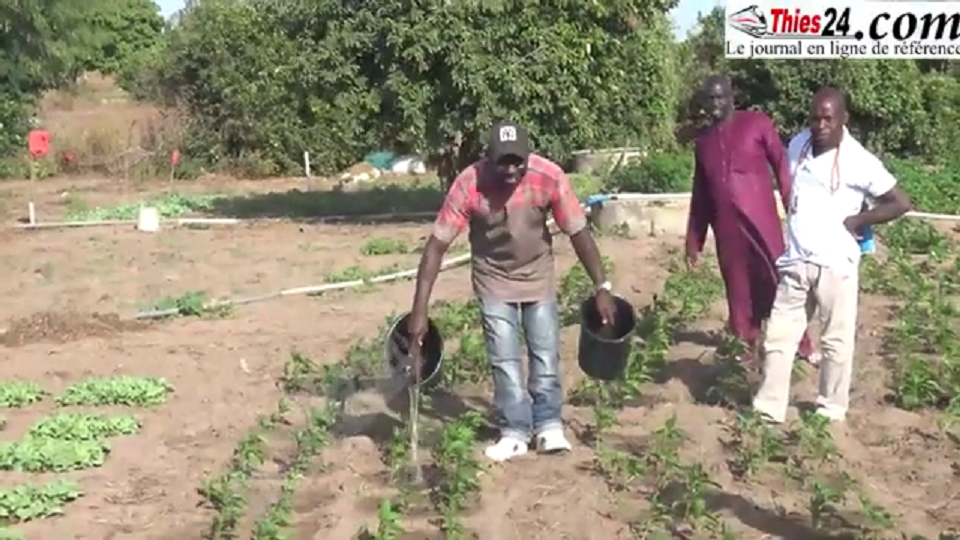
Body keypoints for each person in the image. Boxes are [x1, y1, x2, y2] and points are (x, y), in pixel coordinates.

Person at [407, 120, 617, 462]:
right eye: (503, 161)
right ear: (488, 158)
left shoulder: (547, 176)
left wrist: (601, 287)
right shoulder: (469, 184)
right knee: (504, 359)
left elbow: (579, 232)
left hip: (538, 277)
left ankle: (549, 425)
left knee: (544, 353)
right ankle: (515, 431)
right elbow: (435, 248)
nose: (510, 169)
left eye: (517, 161)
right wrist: (420, 311)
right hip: (494, 280)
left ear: (527, 157)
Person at [752, 88, 912, 423]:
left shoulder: (859, 160)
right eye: (815, 117)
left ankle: (830, 410)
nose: (821, 124)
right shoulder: (799, 145)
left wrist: (858, 220)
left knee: (836, 343)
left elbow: (900, 202)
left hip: (835, 264)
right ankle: (769, 409)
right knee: (779, 338)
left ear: (843, 119)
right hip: (797, 260)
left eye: (828, 118)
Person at [685, 74, 817, 363]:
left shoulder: (756, 123)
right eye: (711, 99)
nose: (716, 104)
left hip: (761, 220)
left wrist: (791, 201)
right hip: (726, 227)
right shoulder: (704, 143)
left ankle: (800, 342)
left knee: (778, 275)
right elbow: (701, 196)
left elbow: (781, 162)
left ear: (731, 97)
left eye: (720, 97)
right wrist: (693, 241)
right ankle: (746, 342)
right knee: (737, 283)